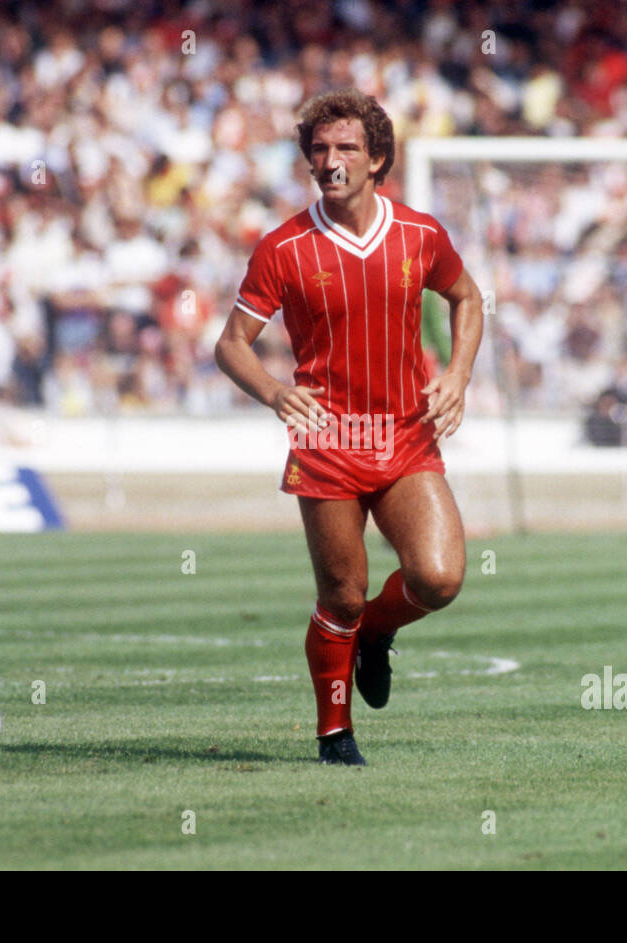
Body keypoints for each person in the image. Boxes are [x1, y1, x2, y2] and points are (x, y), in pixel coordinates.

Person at [215, 89, 483, 765]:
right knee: (341, 592)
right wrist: (277, 394)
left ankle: (376, 632)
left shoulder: (420, 235)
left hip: (405, 436)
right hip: (328, 444)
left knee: (440, 577)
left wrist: (457, 374)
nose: (330, 161)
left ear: (378, 160)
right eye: (319, 149)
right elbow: (231, 344)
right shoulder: (283, 247)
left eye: (346, 149)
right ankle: (334, 734)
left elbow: (467, 296)